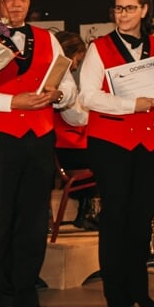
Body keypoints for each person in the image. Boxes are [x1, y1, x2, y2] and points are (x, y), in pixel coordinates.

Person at [0, 0, 78, 307]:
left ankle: (28, 294)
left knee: (33, 219)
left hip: (40, 136)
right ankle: (2, 297)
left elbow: (70, 87)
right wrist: (14, 101)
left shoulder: (49, 39)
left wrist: (58, 95)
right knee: (1, 218)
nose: (16, 3)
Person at [77, 0, 154, 307]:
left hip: (151, 141)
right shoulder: (99, 47)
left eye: (128, 8)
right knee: (115, 216)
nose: (121, 14)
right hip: (111, 142)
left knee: (142, 216)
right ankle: (116, 292)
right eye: (117, 8)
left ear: (143, 11)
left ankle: (140, 288)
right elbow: (88, 96)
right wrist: (130, 104)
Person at [52, 30, 97, 230]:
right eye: (77, 60)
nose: (77, 65)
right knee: (110, 158)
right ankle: (88, 212)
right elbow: (76, 118)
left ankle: (88, 209)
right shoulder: (60, 79)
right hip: (65, 148)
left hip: (65, 146)